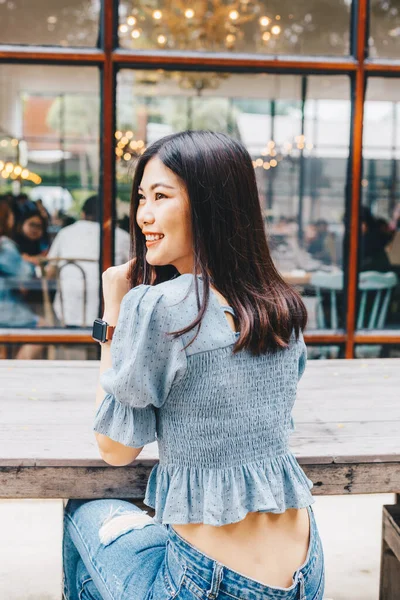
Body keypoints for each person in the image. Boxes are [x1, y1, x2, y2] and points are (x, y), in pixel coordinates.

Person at [63, 131, 325, 600]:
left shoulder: (159, 305)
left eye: (161, 197)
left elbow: (114, 450)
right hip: (305, 570)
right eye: (142, 197)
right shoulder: (280, 304)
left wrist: (112, 316)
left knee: (84, 508)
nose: (144, 215)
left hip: (211, 583)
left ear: (209, 205)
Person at [47, 195, 130, 327]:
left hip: (67, 313)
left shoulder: (65, 233)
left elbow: (49, 271)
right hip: (110, 316)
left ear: (83, 214)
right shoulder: (121, 236)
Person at [0, 196, 46, 358]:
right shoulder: (4, 245)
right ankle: (19, 367)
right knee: (44, 327)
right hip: (6, 308)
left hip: (8, 306)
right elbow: (25, 274)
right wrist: (30, 264)